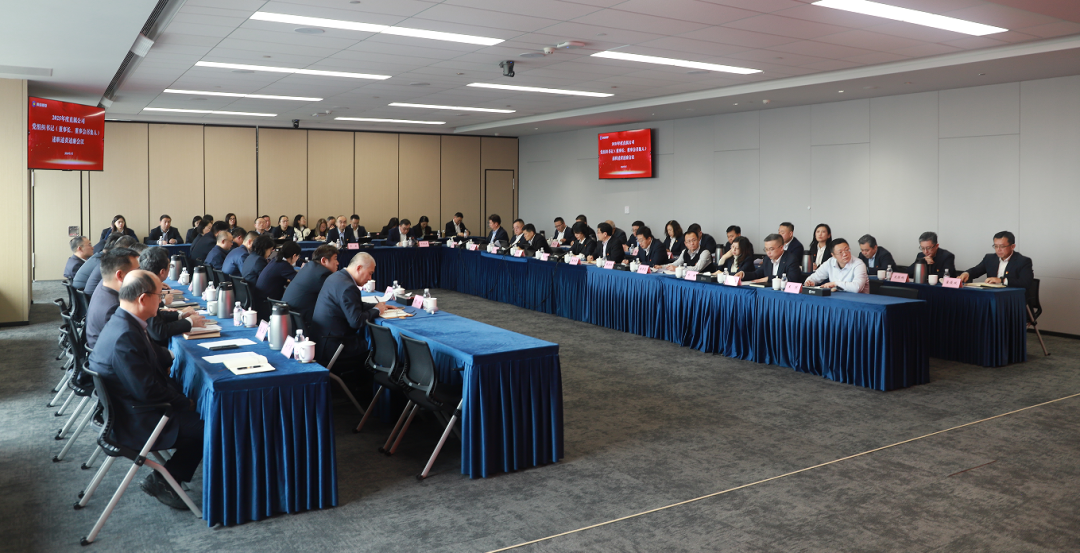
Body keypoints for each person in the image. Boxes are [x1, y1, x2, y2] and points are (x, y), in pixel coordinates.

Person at [89, 270, 204, 510]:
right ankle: (165, 480)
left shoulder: (123, 321)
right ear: (143, 299)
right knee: (210, 425)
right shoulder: (125, 335)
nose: (161, 301)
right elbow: (148, 392)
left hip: (127, 409)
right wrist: (185, 402)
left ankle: (169, 477)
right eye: (159, 295)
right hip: (136, 420)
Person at [309, 252, 389, 376]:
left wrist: (377, 306)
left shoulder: (336, 276)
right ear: (359, 268)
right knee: (378, 348)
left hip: (321, 341)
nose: (370, 278)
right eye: (370, 273)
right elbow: (356, 321)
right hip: (335, 346)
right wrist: (377, 310)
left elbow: (352, 305)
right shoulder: (348, 287)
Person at [137, 247, 205, 345]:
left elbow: (156, 317)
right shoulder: (147, 290)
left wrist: (180, 315)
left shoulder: (144, 283)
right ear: (162, 272)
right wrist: (189, 321)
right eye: (170, 266)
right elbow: (158, 332)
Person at [85, 247, 141, 350]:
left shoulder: (103, 287)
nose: (141, 276)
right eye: (137, 271)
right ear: (120, 275)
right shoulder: (115, 306)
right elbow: (127, 345)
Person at [281, 244, 339, 326]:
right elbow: (336, 296)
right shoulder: (322, 274)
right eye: (335, 259)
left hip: (290, 316)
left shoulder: (308, 266)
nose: (337, 263)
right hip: (302, 321)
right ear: (323, 261)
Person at [959, 231, 1034, 290]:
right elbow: (977, 270)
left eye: (1002, 246)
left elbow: (1026, 282)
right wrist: (967, 274)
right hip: (992, 295)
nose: (998, 249)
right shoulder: (989, 258)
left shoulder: (1023, 261)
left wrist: (1002, 280)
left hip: (1012, 298)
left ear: (1012, 246)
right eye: (995, 246)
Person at [804, 239, 869, 293]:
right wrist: (810, 281)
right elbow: (816, 276)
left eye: (847, 250)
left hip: (857, 300)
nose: (845, 254)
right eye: (840, 252)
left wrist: (835, 283)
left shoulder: (859, 264)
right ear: (833, 255)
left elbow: (857, 287)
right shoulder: (830, 262)